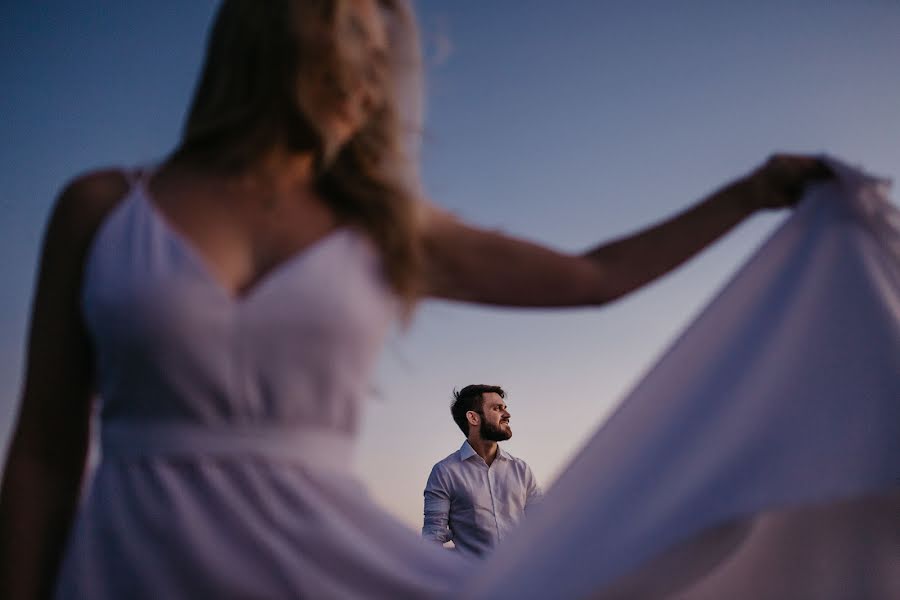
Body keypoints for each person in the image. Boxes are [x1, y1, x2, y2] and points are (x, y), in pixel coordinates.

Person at [0, 0, 831, 598]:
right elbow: (43, 446)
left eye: (379, 46)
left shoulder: (382, 227)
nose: (367, 64)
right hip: (124, 568)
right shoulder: (102, 208)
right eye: (346, 27)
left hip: (329, 569)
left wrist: (751, 193)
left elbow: (595, 276)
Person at [423, 385, 542, 556]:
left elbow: (543, 524)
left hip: (524, 579)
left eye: (505, 408)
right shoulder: (445, 472)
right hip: (471, 580)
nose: (507, 415)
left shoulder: (521, 470)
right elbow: (432, 538)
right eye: (497, 408)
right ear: (473, 418)